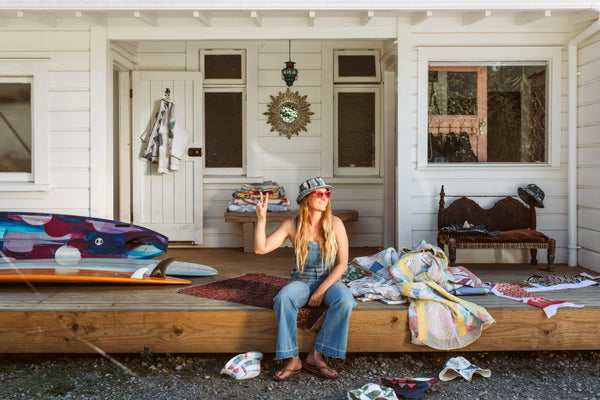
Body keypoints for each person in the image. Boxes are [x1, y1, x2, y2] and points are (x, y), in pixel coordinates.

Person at [254, 177, 356, 381]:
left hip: (330, 281)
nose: (325, 198)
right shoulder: (292, 225)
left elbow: (343, 264)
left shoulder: (335, 223)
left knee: (346, 301)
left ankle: (316, 355)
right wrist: (262, 219)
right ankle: (293, 358)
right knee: (283, 299)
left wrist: (321, 291)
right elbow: (260, 248)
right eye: (319, 194)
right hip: (301, 280)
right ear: (306, 199)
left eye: (327, 194)